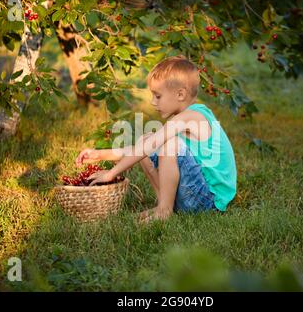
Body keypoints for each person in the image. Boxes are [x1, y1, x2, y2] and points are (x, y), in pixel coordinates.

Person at [75, 55, 237, 223]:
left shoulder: (191, 117)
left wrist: (111, 173)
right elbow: (144, 147)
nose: (153, 102)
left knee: (167, 144)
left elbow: (149, 146)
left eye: (157, 96)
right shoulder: (185, 116)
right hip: (196, 194)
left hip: (208, 201)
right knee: (147, 138)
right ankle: (164, 204)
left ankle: (164, 211)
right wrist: (100, 154)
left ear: (180, 94)